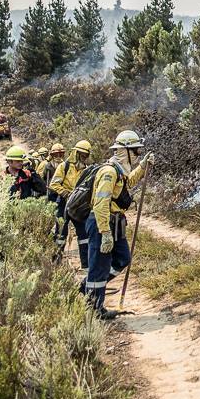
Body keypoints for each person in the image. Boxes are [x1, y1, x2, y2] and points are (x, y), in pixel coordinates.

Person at [84, 129, 152, 318]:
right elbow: (100, 204)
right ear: (127, 151)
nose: (138, 155)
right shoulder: (109, 171)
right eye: (137, 151)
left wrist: (143, 167)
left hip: (115, 223)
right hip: (101, 223)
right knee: (99, 268)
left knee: (123, 259)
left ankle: (86, 288)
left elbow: (127, 185)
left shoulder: (119, 171)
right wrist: (105, 232)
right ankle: (95, 309)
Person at [50, 139, 92, 265]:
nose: (84, 157)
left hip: (79, 206)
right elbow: (54, 184)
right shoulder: (64, 166)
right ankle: (56, 262)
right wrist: (66, 194)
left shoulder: (87, 170)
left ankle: (86, 264)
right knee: (60, 234)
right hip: (63, 203)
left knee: (83, 234)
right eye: (82, 154)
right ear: (76, 153)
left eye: (86, 155)